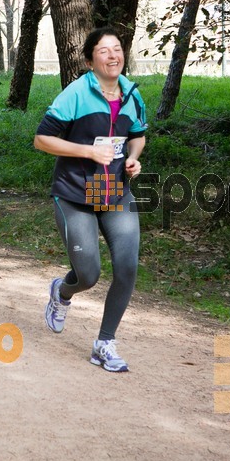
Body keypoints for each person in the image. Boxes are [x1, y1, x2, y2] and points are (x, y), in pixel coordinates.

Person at [34, 27, 147, 373]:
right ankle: (62, 292)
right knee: (89, 274)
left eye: (117, 49)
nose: (113, 55)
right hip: (75, 194)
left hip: (113, 192)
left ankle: (105, 343)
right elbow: (41, 139)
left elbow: (139, 135)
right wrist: (86, 150)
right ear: (89, 60)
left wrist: (133, 157)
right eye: (103, 51)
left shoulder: (132, 94)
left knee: (127, 267)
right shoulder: (76, 94)